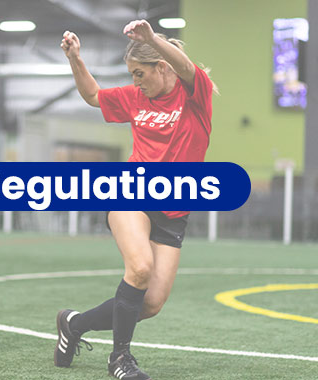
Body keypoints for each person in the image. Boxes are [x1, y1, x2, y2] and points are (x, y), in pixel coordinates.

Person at [54, 20, 217, 379]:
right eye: (131, 74)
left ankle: (74, 324)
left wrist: (152, 39)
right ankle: (120, 359)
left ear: (162, 66)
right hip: (132, 192)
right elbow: (94, 95)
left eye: (139, 73)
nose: (135, 82)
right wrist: (75, 59)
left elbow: (187, 68)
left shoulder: (194, 95)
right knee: (140, 267)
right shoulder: (134, 98)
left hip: (173, 210)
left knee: (152, 302)